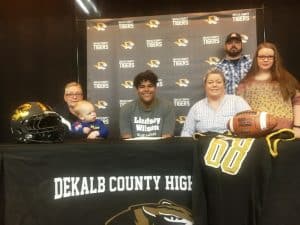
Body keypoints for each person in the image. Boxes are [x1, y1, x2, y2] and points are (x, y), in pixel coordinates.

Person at [236, 42, 300, 137]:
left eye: (270, 57)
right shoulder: (245, 83)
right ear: (256, 59)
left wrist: (298, 127)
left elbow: (297, 102)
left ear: (275, 59)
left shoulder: (286, 79)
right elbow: (240, 109)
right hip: (257, 133)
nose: (265, 60)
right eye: (262, 57)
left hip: (285, 132)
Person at [181, 69, 251, 137]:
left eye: (218, 82)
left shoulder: (237, 101)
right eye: (210, 82)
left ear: (224, 85)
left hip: (232, 145)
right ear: (205, 85)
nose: (214, 85)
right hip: (204, 146)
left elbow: (250, 125)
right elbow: (186, 132)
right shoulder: (196, 107)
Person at [119, 70, 175, 139]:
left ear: (155, 88)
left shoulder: (167, 107)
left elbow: (167, 138)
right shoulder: (126, 109)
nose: (146, 89)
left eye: (150, 86)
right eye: (142, 87)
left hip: (160, 148)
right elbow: (127, 139)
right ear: (137, 89)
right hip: (134, 149)